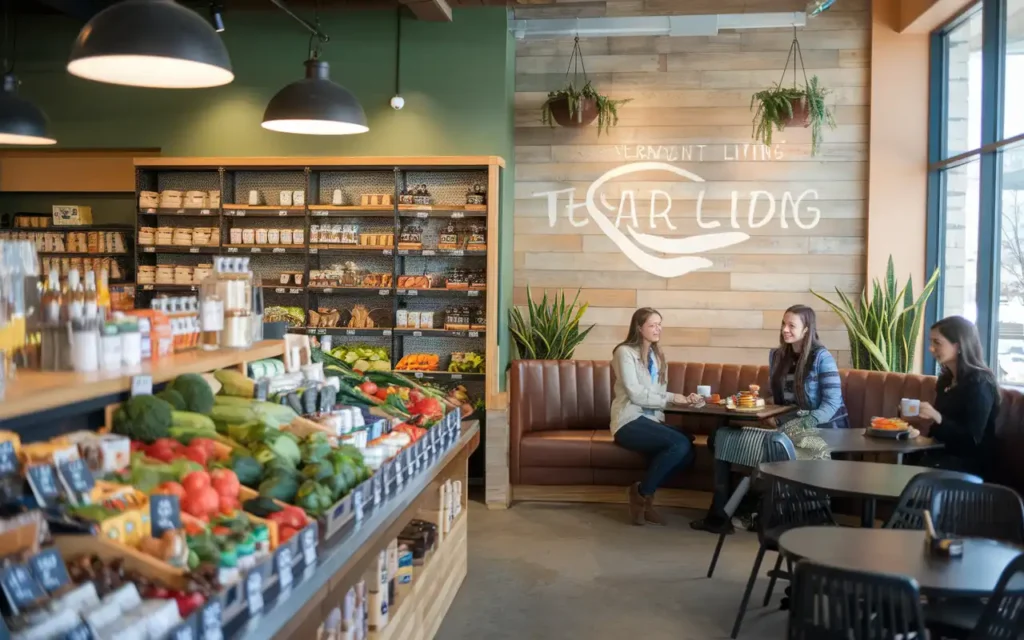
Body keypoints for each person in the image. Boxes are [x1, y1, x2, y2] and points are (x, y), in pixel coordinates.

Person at [691, 304, 850, 535]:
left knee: (766, 445)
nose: (785, 330)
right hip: (784, 425)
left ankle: (746, 510)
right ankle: (720, 515)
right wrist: (753, 401)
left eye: (791, 325)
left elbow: (832, 404)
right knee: (719, 436)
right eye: (783, 324)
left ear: (806, 330)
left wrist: (792, 423)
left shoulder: (821, 358)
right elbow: (776, 398)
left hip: (821, 429)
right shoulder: (777, 356)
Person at [611, 307, 702, 526]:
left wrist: (683, 399)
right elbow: (635, 393)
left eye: (660, 324)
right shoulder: (625, 352)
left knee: (688, 446)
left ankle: (645, 495)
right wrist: (672, 398)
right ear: (639, 327)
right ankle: (641, 495)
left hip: (651, 421)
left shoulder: (658, 356)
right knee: (679, 444)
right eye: (652, 325)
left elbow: (659, 392)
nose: (658, 329)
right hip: (628, 421)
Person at [910, 315, 998, 478]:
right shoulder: (946, 380)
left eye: (937, 342)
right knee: (903, 461)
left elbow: (972, 440)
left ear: (958, 346)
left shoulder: (980, 384)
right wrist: (925, 439)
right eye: (931, 342)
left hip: (969, 465)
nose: (931, 348)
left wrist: (937, 417)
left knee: (910, 472)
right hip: (944, 455)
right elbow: (941, 430)